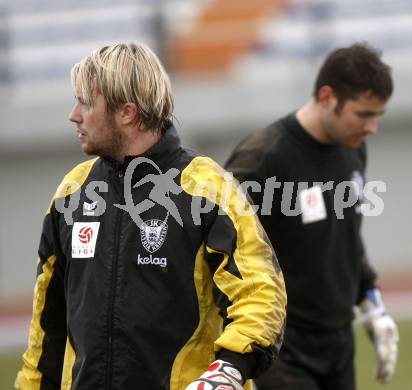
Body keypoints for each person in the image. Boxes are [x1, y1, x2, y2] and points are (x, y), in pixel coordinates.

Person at [15, 43, 286, 390]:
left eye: (85, 102)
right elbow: (46, 327)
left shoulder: (206, 187)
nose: (74, 114)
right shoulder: (72, 192)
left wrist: (229, 370)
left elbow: (261, 292)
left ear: (127, 113)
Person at [225, 42, 399, 390]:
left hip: (338, 343)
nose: (371, 128)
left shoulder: (353, 150)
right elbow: (216, 247)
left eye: (377, 116)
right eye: (364, 114)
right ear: (326, 97)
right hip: (282, 350)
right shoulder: (263, 158)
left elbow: (346, 236)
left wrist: (372, 303)